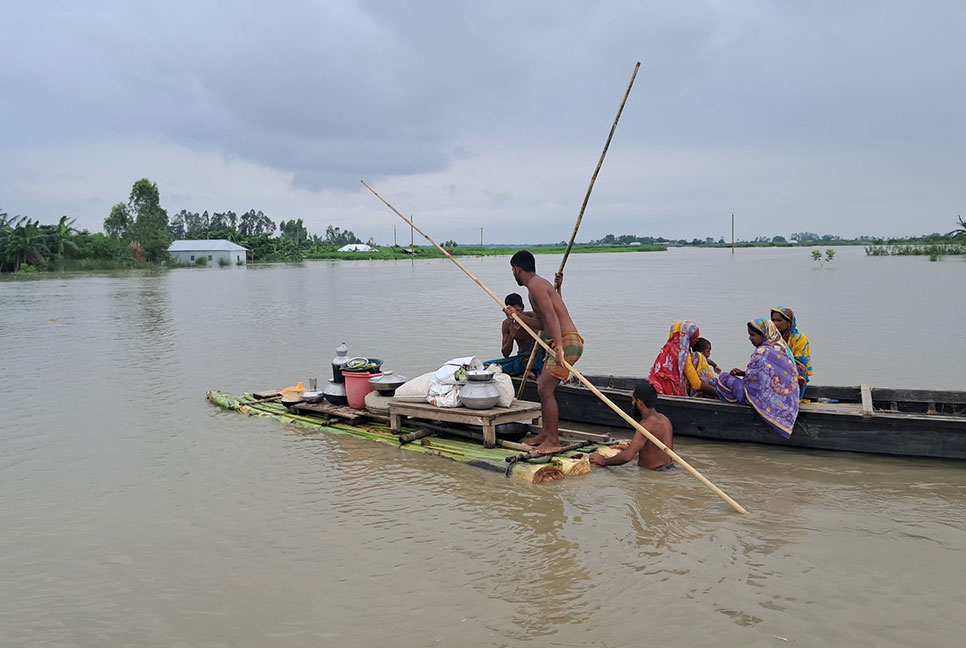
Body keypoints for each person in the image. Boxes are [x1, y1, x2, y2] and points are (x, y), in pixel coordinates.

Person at [503, 250, 582, 454]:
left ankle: (553, 441)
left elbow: (552, 316)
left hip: (566, 341)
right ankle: (546, 435)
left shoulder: (536, 286)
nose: (513, 274)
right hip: (559, 340)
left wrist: (559, 348)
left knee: (545, 389)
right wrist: (517, 316)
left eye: (513, 270)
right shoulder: (535, 287)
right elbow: (541, 322)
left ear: (517, 269)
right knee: (542, 387)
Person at [716, 317, 800, 438]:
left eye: (753, 335)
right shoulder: (782, 349)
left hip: (762, 398)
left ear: (764, 334)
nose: (750, 338)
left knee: (723, 378)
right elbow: (764, 375)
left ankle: (743, 404)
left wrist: (745, 377)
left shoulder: (761, 352)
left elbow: (753, 382)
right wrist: (743, 373)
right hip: (787, 401)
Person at [589, 381, 674, 470]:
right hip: (669, 468)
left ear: (640, 402)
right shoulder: (664, 419)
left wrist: (604, 461)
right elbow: (656, 449)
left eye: (633, 400)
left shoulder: (647, 424)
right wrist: (629, 447)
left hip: (655, 473)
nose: (632, 403)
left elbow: (627, 457)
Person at [648, 320, 717, 397]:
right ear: (687, 337)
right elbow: (696, 384)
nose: (697, 340)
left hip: (656, 385)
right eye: (695, 337)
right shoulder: (683, 355)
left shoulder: (666, 348)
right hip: (668, 391)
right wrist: (717, 392)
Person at [487, 293, 544, 377]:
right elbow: (505, 353)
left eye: (517, 310)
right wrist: (512, 335)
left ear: (522, 307)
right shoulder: (507, 324)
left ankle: (531, 371)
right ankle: (526, 370)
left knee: (537, 359)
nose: (515, 314)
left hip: (539, 356)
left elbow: (545, 328)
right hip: (522, 357)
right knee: (489, 366)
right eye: (511, 312)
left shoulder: (532, 317)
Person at [770, 306, 813, 397]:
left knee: (800, 371)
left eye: (778, 321)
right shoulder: (771, 338)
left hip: (792, 371)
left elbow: (800, 362)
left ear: (789, 322)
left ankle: (794, 398)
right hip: (775, 370)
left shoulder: (799, 339)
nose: (775, 323)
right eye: (773, 320)